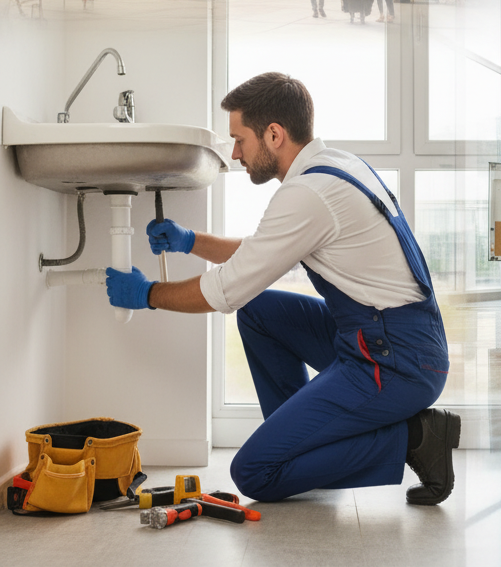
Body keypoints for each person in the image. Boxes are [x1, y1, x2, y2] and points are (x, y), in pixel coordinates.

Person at [104, 72, 459, 506]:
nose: (235, 154)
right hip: (383, 337)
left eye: (240, 140)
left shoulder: (309, 193)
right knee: (259, 311)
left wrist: (148, 295)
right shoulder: (337, 166)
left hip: (397, 361)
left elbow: (225, 291)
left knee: (255, 472)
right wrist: (191, 241)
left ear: (274, 134)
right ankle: (305, 441)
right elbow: (262, 254)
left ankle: (416, 437)